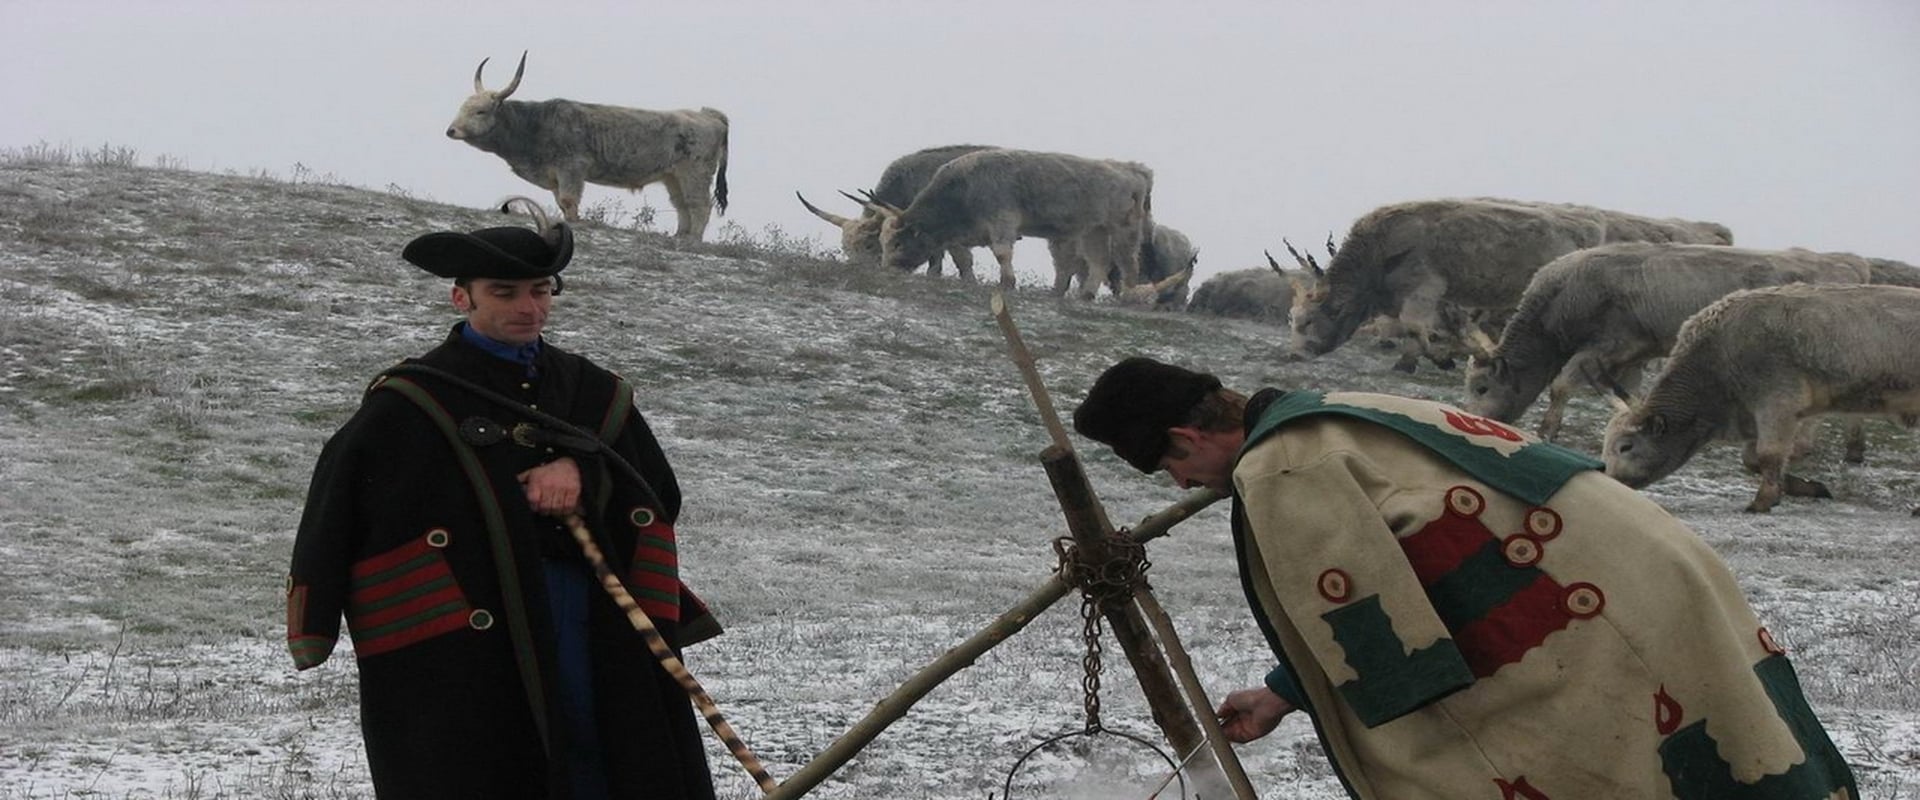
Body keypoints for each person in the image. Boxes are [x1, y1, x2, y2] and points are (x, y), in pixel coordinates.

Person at [1071, 356, 1857, 800]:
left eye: (1169, 466)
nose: (1180, 489)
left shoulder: (1286, 465)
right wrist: (1285, 692)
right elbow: (1407, 561)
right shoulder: (1342, 410)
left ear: (1184, 435)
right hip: (1656, 574)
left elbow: (1377, 644)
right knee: (1723, 747)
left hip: (1597, 605)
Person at [287, 200, 719, 799]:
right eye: (506, 292)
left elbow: (656, 491)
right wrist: (315, 619)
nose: (529, 308)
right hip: (474, 622)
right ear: (461, 298)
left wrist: (580, 472)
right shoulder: (411, 399)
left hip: (585, 605)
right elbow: (341, 503)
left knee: (601, 739)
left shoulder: (592, 389)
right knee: (494, 759)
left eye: (541, 291)